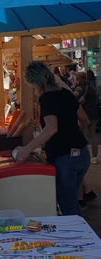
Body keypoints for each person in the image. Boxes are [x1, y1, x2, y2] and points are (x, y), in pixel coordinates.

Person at [15, 61, 90, 216]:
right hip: (82, 154)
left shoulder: (46, 98)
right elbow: (85, 120)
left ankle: (80, 238)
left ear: (36, 82)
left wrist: (27, 148)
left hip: (65, 158)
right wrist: (76, 137)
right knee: (71, 203)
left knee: (68, 207)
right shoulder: (66, 92)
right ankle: (82, 235)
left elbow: (51, 128)